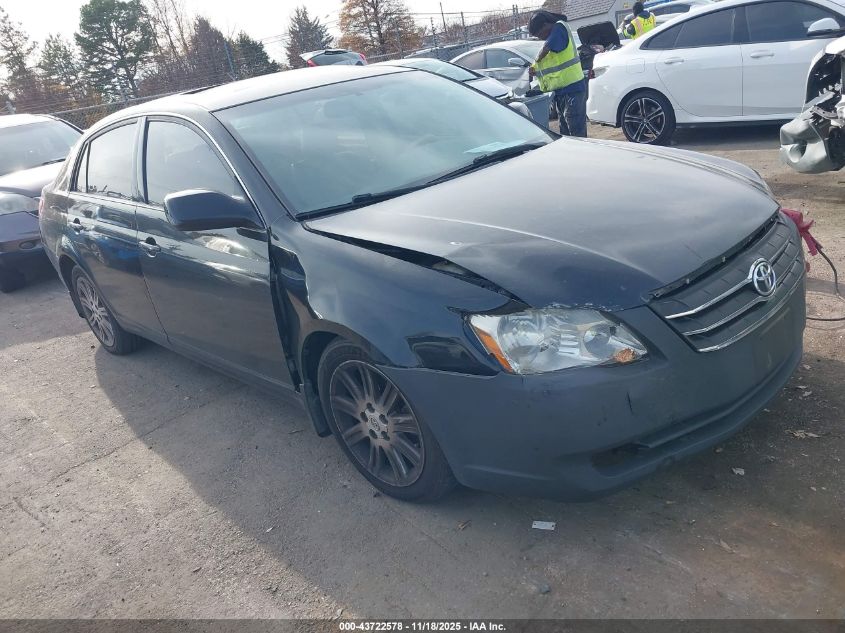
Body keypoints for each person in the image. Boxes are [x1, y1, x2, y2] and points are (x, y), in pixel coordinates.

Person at [527, 11, 587, 138]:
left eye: (539, 34)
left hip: (573, 89)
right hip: (561, 92)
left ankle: (581, 157)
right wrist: (534, 67)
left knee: (576, 133)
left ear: (545, 25)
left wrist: (536, 61)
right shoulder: (552, 36)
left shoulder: (559, 28)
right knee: (565, 133)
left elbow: (545, 50)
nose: (540, 38)